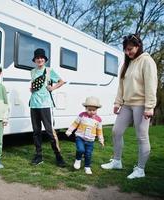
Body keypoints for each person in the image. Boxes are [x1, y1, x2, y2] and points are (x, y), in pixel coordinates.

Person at [101, 34, 157, 179]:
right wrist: (117, 102)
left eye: (130, 49)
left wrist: (149, 106)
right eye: (125, 50)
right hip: (126, 104)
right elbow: (121, 86)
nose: (127, 52)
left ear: (138, 46)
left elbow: (151, 85)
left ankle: (140, 169)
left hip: (141, 104)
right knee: (116, 131)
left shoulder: (147, 61)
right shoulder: (127, 64)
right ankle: (117, 161)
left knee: (142, 137)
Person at [29, 48, 66, 167]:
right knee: (36, 132)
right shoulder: (32, 71)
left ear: (44, 60)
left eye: (41, 58)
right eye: (37, 58)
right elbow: (35, 84)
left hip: (45, 105)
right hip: (34, 104)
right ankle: (38, 156)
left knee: (50, 132)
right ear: (35, 60)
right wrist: (32, 89)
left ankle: (58, 156)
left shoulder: (49, 71)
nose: (39, 59)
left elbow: (61, 81)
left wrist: (53, 88)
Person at [65, 96, 104, 174]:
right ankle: (78, 160)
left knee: (88, 154)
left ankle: (87, 167)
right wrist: (69, 131)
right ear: (86, 108)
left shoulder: (98, 120)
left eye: (94, 110)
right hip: (80, 137)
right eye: (89, 110)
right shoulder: (82, 115)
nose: (91, 112)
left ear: (97, 109)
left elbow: (99, 131)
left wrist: (101, 139)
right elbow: (75, 123)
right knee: (80, 150)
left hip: (90, 140)